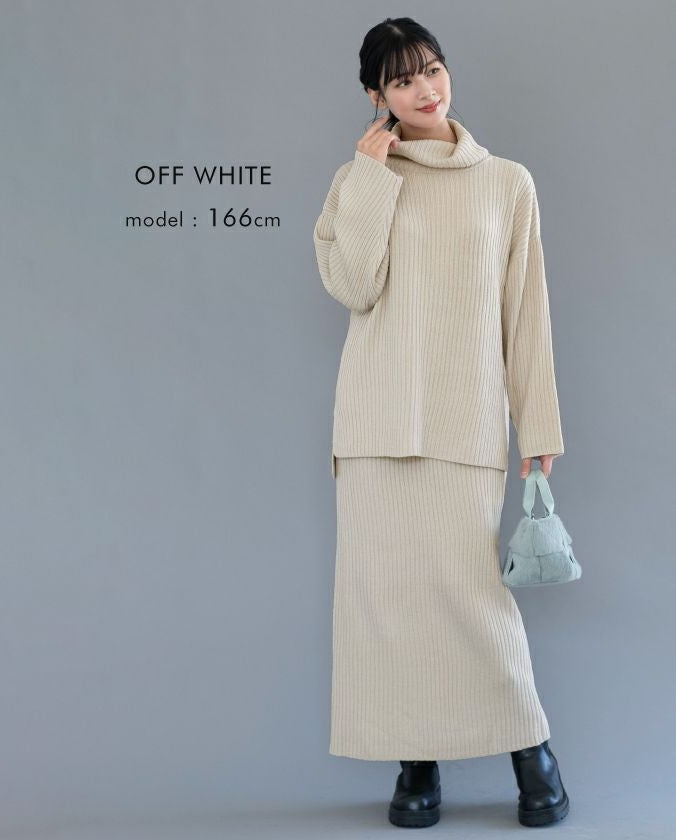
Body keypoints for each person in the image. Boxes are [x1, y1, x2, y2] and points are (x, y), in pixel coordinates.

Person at [312, 16, 571, 829]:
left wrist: (538, 427)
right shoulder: (359, 179)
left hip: (464, 424)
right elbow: (353, 285)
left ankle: (533, 755)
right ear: (376, 97)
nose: (426, 89)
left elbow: (526, 313)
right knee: (387, 607)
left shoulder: (507, 183)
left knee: (474, 603)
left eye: (432, 69)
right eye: (402, 80)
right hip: (375, 427)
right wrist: (370, 177)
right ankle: (415, 767)